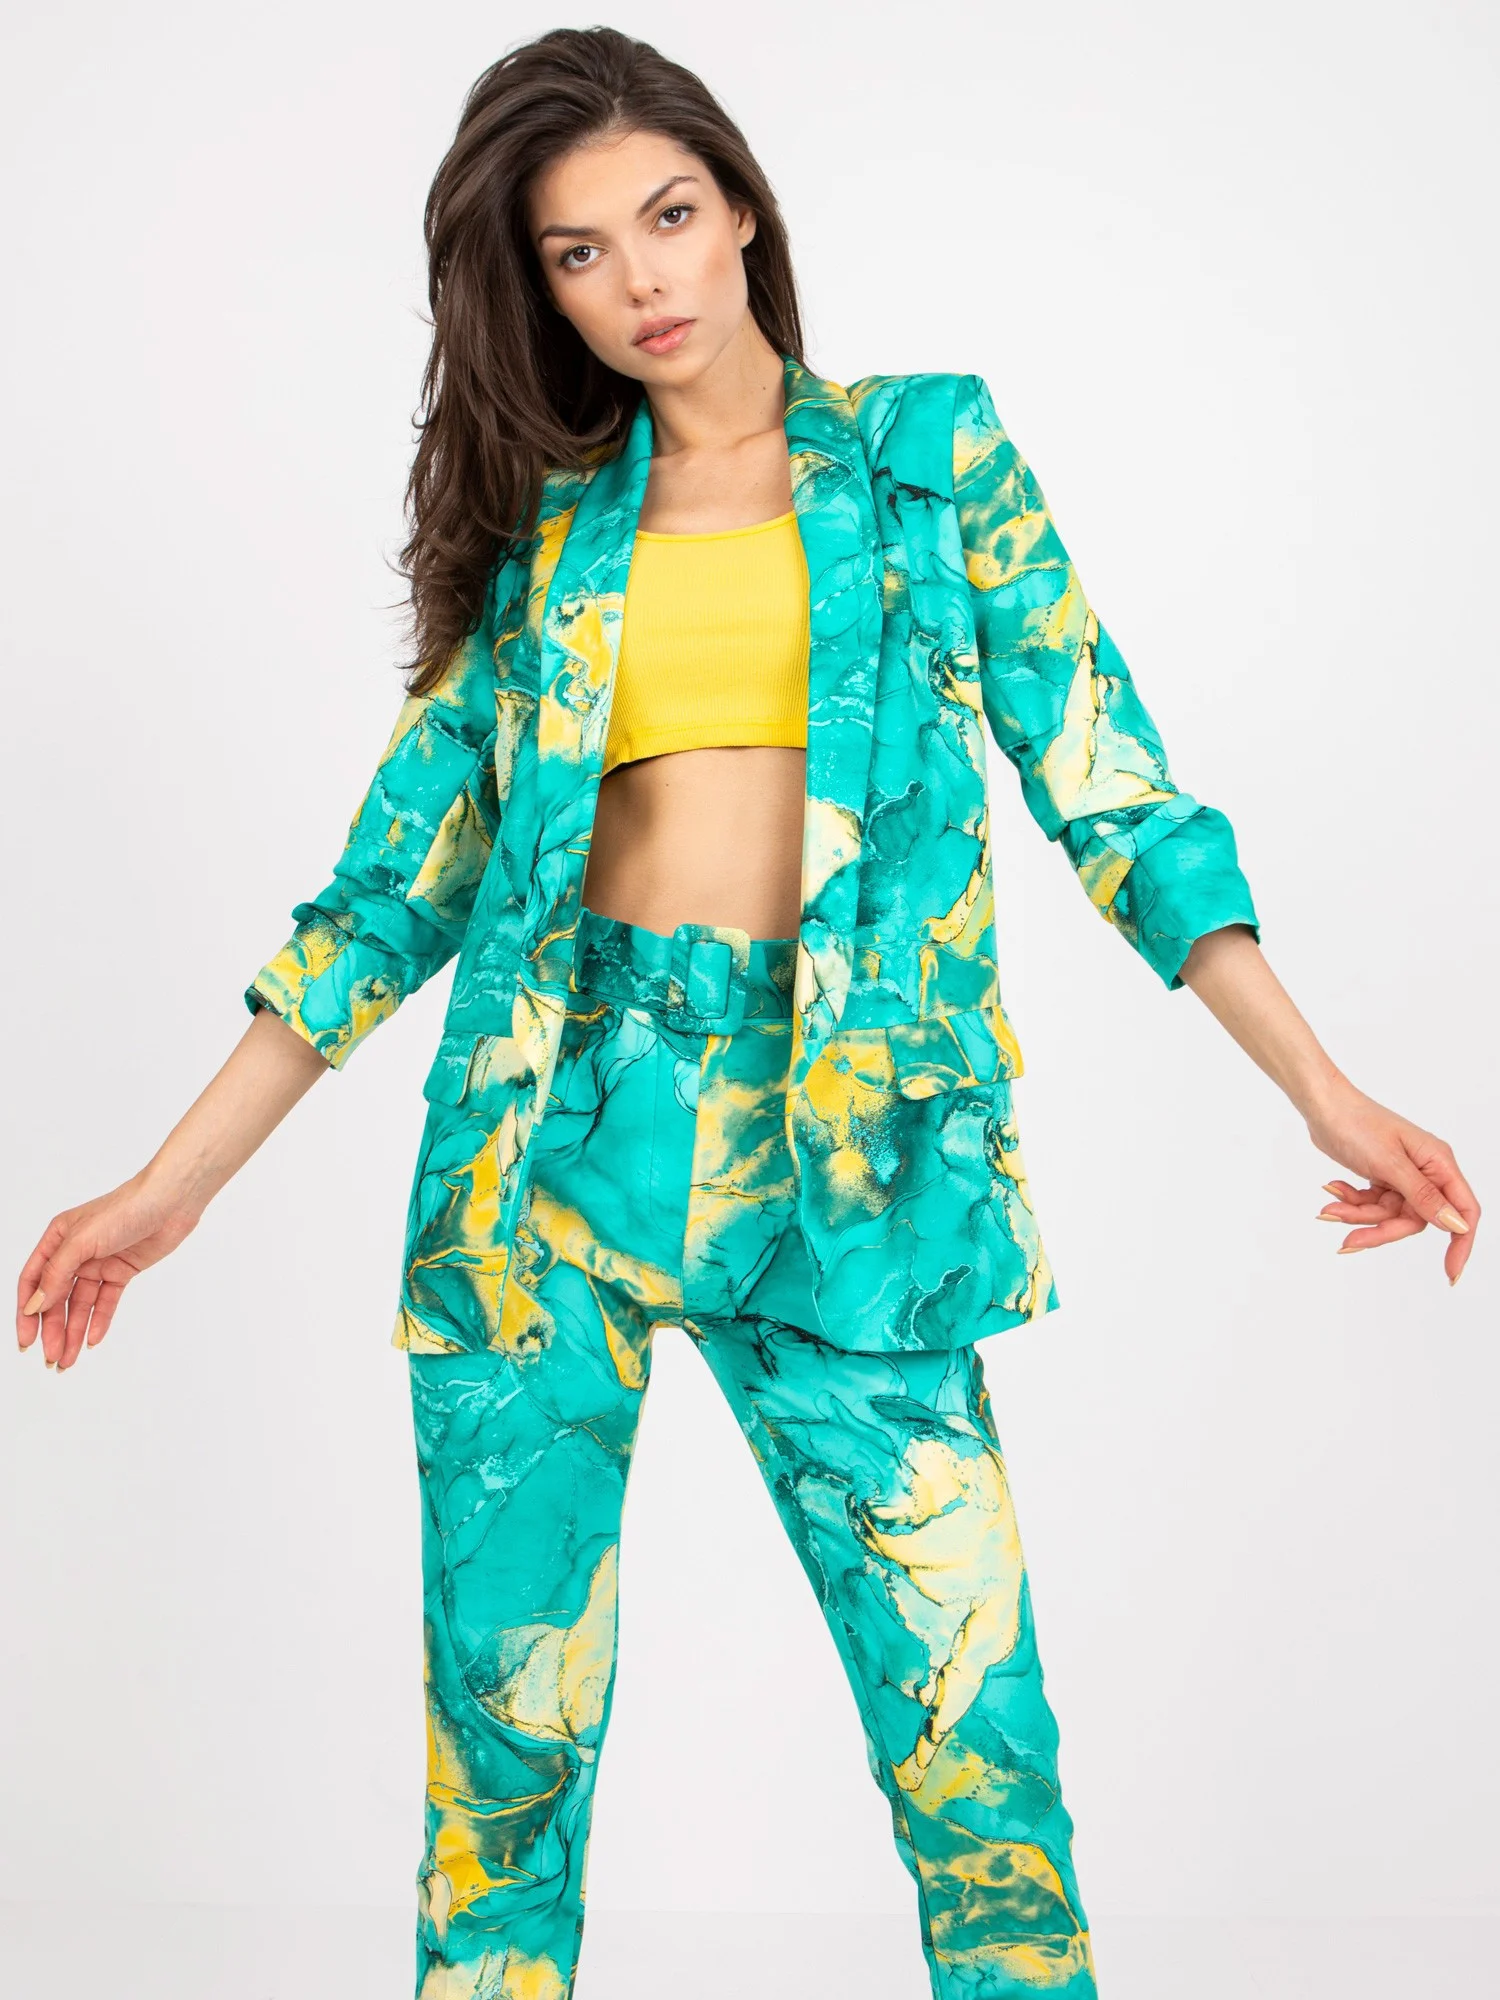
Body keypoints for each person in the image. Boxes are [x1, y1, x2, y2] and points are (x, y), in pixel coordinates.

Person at [14, 25, 1480, 2000]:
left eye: (670, 215)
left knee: (976, 1761)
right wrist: (163, 1191)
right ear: (538, 292)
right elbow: (386, 899)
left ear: (744, 211)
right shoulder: (551, 536)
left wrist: (1323, 1087)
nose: (643, 279)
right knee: (503, 1781)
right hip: (546, 1161)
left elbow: (1114, 792)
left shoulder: (930, 456)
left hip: (853, 1166)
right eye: (579, 253)